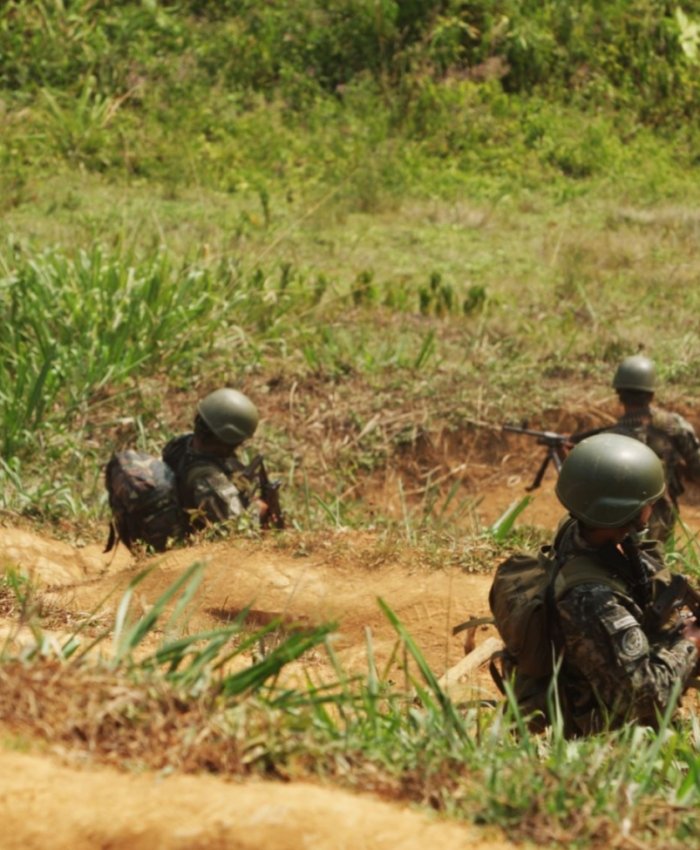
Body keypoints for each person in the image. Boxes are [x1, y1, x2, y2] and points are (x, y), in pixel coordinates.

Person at [548, 432, 700, 736]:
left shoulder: (587, 532)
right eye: (649, 502)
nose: (653, 507)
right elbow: (646, 698)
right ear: (626, 512)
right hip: (605, 732)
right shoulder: (593, 598)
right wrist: (691, 642)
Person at [610, 354, 700, 543]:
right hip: (661, 515)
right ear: (651, 394)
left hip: (620, 520)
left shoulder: (612, 437)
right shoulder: (674, 425)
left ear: (619, 395)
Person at [162, 387, 261, 533]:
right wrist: (259, 510)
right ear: (228, 440)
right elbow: (239, 529)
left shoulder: (181, 444)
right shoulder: (208, 478)